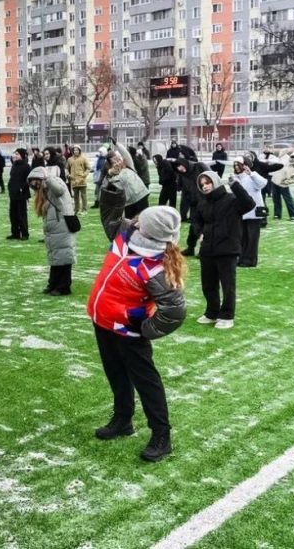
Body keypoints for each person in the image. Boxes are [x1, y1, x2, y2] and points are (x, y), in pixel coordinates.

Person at [89, 182, 187, 463]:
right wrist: (113, 189)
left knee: (146, 382)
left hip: (128, 332)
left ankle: (161, 435)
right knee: (116, 374)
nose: (136, 220)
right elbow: (110, 217)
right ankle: (123, 419)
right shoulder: (126, 236)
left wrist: (145, 329)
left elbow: (174, 310)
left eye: (142, 220)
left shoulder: (156, 267)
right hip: (103, 322)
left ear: (150, 231)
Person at [192, 171, 255, 329]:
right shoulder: (202, 202)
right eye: (202, 184)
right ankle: (212, 313)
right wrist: (199, 233)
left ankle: (227, 315)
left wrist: (235, 185)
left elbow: (249, 204)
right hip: (207, 250)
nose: (205, 186)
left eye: (208, 182)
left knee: (228, 285)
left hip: (227, 249)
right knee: (208, 284)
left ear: (215, 182)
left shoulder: (231, 200)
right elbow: (196, 221)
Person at [28, 166, 80, 296]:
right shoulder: (45, 191)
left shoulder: (55, 182)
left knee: (64, 257)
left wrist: (48, 177)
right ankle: (53, 284)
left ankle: (63, 287)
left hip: (63, 226)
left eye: (36, 182)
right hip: (55, 228)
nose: (35, 186)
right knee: (55, 257)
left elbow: (60, 190)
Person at [230, 155, 269, 268]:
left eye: (239, 165)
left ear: (245, 165)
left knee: (252, 238)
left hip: (254, 213)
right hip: (241, 212)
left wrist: (251, 173)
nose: (236, 167)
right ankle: (241, 258)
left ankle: (250, 260)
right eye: (235, 165)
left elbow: (263, 183)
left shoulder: (252, 177)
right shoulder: (235, 178)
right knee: (242, 237)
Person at [7, 148, 31, 240]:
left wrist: (21, 188)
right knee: (13, 214)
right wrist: (10, 187)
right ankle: (15, 233)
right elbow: (12, 178)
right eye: (15, 154)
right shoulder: (14, 165)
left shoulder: (26, 166)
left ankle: (24, 234)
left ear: (22, 155)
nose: (15, 156)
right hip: (13, 193)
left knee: (22, 214)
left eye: (17, 154)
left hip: (21, 194)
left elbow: (28, 180)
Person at [268, 150, 294, 221]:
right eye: (292, 157)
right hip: (275, 181)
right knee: (276, 199)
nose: (292, 159)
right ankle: (277, 215)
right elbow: (281, 152)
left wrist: (286, 182)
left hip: (283, 184)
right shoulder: (284, 157)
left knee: (288, 200)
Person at [67, 145, 90, 214]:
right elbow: (66, 169)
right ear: (72, 151)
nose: (75, 151)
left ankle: (84, 210)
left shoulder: (84, 158)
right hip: (74, 181)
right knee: (75, 197)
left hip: (82, 181)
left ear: (79, 151)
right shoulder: (69, 159)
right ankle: (76, 209)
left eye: (77, 150)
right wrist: (68, 175)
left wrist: (84, 175)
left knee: (83, 196)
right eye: (74, 150)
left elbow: (88, 168)